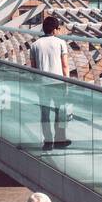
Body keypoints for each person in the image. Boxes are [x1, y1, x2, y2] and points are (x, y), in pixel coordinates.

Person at [30, 15, 71, 149]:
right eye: (58, 28)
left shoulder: (34, 45)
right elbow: (65, 65)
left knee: (45, 114)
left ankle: (47, 142)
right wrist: (67, 82)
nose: (59, 31)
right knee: (60, 112)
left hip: (42, 83)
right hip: (58, 82)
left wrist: (36, 82)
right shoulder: (60, 43)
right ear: (54, 29)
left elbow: (33, 67)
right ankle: (59, 139)